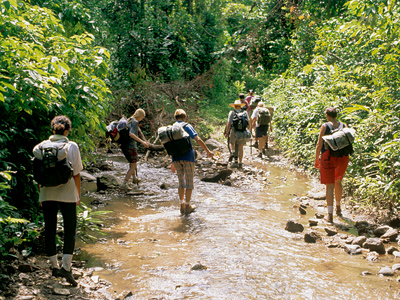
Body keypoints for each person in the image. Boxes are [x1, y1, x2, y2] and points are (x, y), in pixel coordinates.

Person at [35, 115, 83, 286]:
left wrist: (42, 194)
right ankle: (67, 268)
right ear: (67, 130)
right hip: (68, 193)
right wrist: (77, 194)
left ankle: (54, 267)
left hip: (47, 193)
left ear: (52, 129)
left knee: (50, 228)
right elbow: (76, 173)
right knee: (70, 229)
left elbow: (39, 174)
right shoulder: (72, 146)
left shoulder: (41, 147)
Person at [171, 109, 214, 214]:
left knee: (181, 183)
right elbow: (197, 139)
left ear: (175, 118)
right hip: (188, 158)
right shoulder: (186, 126)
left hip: (176, 158)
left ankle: (181, 206)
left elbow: (170, 146)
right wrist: (207, 151)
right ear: (184, 117)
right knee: (189, 183)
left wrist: (172, 161)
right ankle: (188, 206)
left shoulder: (171, 128)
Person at [314, 107, 350, 223]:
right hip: (342, 157)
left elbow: (319, 144)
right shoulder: (344, 125)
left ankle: (330, 215)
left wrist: (316, 159)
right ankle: (338, 208)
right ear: (336, 115)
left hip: (328, 157)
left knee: (329, 186)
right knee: (338, 181)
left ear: (327, 115)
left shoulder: (325, 126)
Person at [120, 109, 149, 189]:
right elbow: (131, 134)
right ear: (141, 116)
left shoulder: (129, 119)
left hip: (124, 145)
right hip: (131, 146)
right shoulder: (135, 122)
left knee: (132, 163)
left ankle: (134, 178)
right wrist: (143, 142)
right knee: (133, 166)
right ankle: (124, 184)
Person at [224, 100, 250, 169]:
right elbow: (248, 123)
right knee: (240, 147)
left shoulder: (232, 112)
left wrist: (227, 132)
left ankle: (232, 153)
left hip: (234, 130)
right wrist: (248, 130)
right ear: (240, 106)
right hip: (242, 131)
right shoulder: (245, 113)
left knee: (232, 143)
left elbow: (229, 123)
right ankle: (240, 163)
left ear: (234, 106)